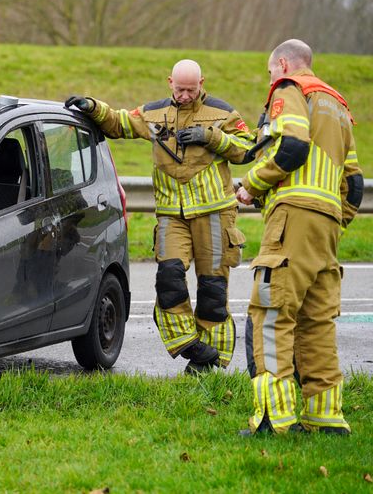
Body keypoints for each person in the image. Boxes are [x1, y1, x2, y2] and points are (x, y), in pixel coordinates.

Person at [67, 60, 255, 373]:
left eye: (190, 89)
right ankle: (188, 343)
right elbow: (120, 123)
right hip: (172, 215)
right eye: (179, 89)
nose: (184, 95)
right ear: (170, 83)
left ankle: (210, 362)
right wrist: (93, 107)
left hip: (215, 214)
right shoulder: (154, 115)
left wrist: (211, 137)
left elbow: (248, 149)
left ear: (201, 83)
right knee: (169, 280)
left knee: (212, 290)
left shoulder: (224, 113)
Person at [236, 39, 363, 435]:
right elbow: (355, 185)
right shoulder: (338, 105)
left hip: (293, 215)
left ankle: (274, 418)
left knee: (271, 313)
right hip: (327, 226)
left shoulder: (290, 89)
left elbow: (292, 147)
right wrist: (333, 219)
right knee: (317, 321)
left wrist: (250, 185)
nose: (270, 79)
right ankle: (325, 418)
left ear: (285, 64)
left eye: (271, 70)